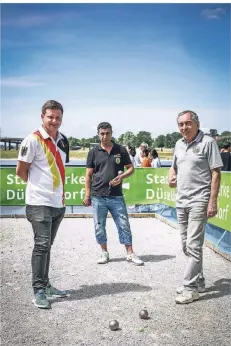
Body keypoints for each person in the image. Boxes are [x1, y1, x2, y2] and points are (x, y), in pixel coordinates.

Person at [16, 100, 69, 309]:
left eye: (58, 118)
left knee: (47, 246)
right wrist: (38, 189)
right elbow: (21, 172)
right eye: (51, 117)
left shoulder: (63, 140)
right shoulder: (32, 140)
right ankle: (38, 290)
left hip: (58, 203)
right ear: (42, 117)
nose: (54, 121)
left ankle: (46, 285)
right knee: (41, 245)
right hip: (39, 203)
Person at [168, 110, 223, 304]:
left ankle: (190, 288)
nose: (184, 127)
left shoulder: (208, 142)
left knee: (193, 245)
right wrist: (171, 175)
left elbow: (216, 173)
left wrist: (213, 201)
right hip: (181, 200)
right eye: (181, 124)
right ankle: (199, 280)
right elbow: (174, 166)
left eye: (188, 123)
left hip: (199, 200)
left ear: (197, 124)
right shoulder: (178, 144)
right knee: (186, 245)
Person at [83, 122, 144, 266]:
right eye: (102, 134)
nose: (105, 136)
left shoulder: (120, 149)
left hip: (117, 196)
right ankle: (104, 253)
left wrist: (121, 177)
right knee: (99, 226)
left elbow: (131, 169)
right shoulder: (93, 151)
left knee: (123, 224)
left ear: (111, 133)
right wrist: (87, 195)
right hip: (98, 196)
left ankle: (130, 253)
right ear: (98, 134)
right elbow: (88, 176)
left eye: (107, 133)